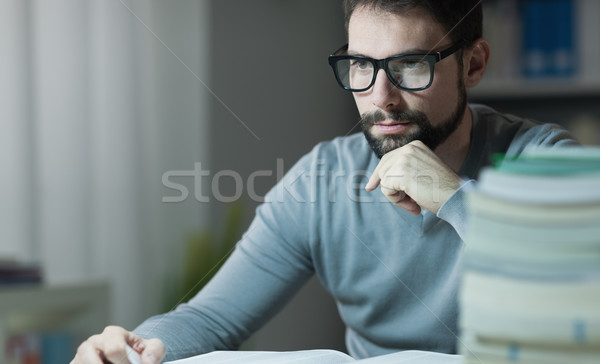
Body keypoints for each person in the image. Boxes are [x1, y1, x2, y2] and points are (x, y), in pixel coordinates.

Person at [71, 1, 579, 363]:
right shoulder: (320, 180)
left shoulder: (545, 158)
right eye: (361, 65)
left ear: (474, 64)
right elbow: (211, 320)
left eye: (410, 64)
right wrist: (131, 349)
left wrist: (452, 196)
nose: (382, 96)